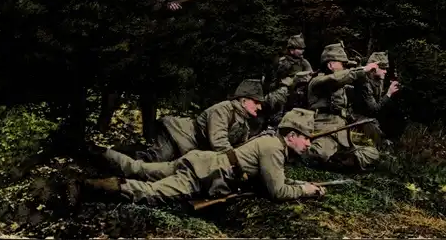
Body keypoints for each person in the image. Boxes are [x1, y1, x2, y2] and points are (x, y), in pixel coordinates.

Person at [74, 108, 327, 206]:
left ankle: (98, 152)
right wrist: (305, 190)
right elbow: (278, 192)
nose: (308, 143)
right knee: (150, 192)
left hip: (200, 161)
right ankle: (86, 186)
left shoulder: (271, 142)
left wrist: (300, 185)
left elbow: (273, 181)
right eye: (306, 137)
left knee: (140, 167)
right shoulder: (273, 149)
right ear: (292, 135)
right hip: (202, 175)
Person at [97, 0, 182, 141]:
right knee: (115, 84)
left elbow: (160, 4)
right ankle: (101, 130)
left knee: (150, 87)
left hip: (152, 39)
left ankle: (149, 136)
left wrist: (168, 8)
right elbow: (115, 4)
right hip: (129, 39)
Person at [127, 77, 298, 163]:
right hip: (178, 135)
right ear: (244, 100)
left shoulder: (244, 122)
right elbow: (218, 142)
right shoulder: (223, 109)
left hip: (193, 147)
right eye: (256, 102)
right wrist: (234, 163)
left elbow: (241, 147)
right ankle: (115, 161)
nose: (259, 107)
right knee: (155, 160)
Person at [304, 42, 380, 171]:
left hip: (342, 133)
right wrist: (362, 70)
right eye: (343, 64)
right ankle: (329, 161)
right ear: (330, 65)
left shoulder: (343, 87)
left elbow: (364, 100)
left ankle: (337, 162)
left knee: (372, 154)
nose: (345, 67)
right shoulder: (318, 82)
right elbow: (335, 80)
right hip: (324, 131)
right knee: (319, 153)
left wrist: (364, 79)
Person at [351, 51, 400, 147]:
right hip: (360, 116)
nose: (385, 71)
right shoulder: (364, 83)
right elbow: (374, 110)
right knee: (374, 134)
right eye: (382, 68)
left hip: (372, 112)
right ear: (373, 69)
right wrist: (389, 93)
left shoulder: (378, 78)